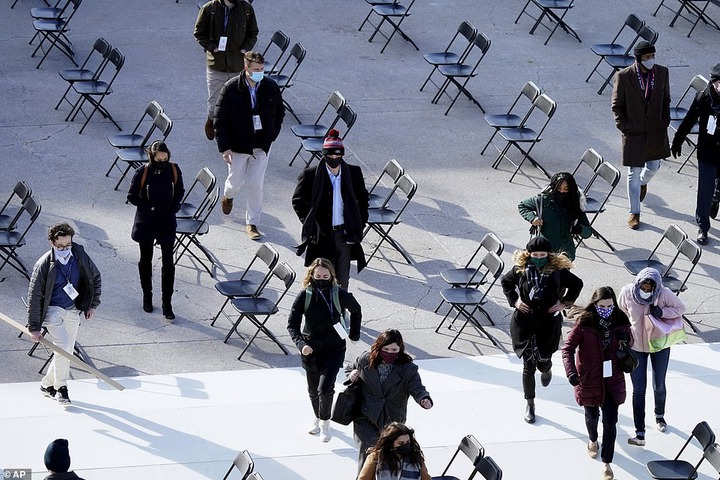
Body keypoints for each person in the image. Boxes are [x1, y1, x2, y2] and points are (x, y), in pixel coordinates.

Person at [500, 235, 583, 424]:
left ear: (548, 254)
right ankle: (530, 403)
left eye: (542, 254)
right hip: (525, 324)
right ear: (529, 254)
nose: (538, 258)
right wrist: (515, 300)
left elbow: (577, 284)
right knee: (528, 366)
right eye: (535, 254)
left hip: (547, 324)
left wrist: (564, 303)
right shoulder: (520, 270)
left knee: (543, 360)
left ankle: (546, 368)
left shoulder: (558, 271)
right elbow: (506, 283)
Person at [286, 258, 362, 443]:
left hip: (334, 348)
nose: (321, 279)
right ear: (311, 275)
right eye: (318, 276)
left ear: (331, 276)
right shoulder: (305, 295)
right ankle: (318, 417)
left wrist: (353, 334)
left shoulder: (339, 294)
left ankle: (325, 423)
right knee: (313, 390)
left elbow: (356, 310)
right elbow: (292, 325)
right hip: (310, 349)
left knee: (325, 388)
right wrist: (301, 345)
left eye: (325, 276)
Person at [562, 287, 633, 480]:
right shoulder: (584, 322)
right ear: (595, 304)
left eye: (609, 305)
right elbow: (567, 349)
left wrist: (626, 340)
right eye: (602, 306)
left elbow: (631, 342)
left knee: (610, 422)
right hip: (589, 379)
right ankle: (592, 440)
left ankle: (606, 463)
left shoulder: (620, 320)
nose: (606, 309)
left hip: (613, 379)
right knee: (591, 417)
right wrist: (571, 373)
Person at [27, 223, 102, 405]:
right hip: (53, 310)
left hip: (73, 309)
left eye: (67, 245)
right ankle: (61, 387)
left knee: (65, 350)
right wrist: (34, 327)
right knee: (63, 347)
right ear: (52, 243)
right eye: (60, 246)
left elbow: (95, 278)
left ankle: (47, 384)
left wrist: (92, 305)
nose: (64, 249)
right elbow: (35, 296)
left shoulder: (79, 256)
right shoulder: (43, 264)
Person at [214, 50, 284, 240]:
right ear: (246, 69)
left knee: (256, 185)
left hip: (261, 147)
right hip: (238, 146)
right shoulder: (231, 88)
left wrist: (272, 135)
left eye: (262, 69)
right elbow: (219, 119)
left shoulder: (270, 87)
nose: (260, 72)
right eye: (256, 69)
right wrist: (224, 147)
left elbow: (280, 112)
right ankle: (228, 196)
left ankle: (252, 223)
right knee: (235, 183)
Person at [292, 129, 370, 289]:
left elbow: (363, 202)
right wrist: (311, 224)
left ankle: (339, 312)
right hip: (321, 236)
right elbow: (298, 202)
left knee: (342, 281)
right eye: (330, 156)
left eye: (337, 156)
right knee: (319, 279)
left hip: (344, 235)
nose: (334, 159)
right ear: (324, 155)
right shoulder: (311, 175)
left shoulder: (354, 173)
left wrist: (358, 225)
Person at [618, 267, 686, 446]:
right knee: (638, 389)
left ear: (655, 287)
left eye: (649, 289)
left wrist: (662, 313)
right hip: (636, 347)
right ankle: (639, 432)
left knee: (659, 385)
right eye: (643, 287)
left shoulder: (664, 294)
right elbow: (621, 310)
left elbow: (681, 308)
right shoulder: (627, 292)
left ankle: (659, 416)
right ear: (638, 283)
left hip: (659, 345)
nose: (646, 291)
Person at [348, 329, 433, 473]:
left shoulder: (408, 368)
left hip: (392, 421)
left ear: (400, 349)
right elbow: (351, 368)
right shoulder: (365, 360)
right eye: (385, 349)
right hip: (366, 417)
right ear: (379, 347)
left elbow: (416, 387)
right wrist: (351, 374)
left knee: (389, 458)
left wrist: (423, 398)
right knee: (368, 454)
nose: (389, 352)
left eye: (394, 349)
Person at [611, 40, 671, 230]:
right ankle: (634, 211)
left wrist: (664, 120)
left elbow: (666, 99)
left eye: (653, 56)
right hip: (634, 133)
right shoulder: (624, 76)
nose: (651, 60)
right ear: (638, 59)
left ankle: (643, 183)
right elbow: (617, 106)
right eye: (647, 57)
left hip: (655, 131)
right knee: (633, 173)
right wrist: (625, 127)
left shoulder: (662, 73)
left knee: (653, 166)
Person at [126, 140, 184, 320]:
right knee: (146, 259)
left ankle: (167, 303)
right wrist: (148, 206)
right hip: (147, 221)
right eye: (159, 160)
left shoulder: (174, 169)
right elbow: (132, 196)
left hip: (167, 220)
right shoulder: (142, 172)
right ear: (152, 157)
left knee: (169, 262)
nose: (162, 163)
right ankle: (147, 296)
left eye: (165, 159)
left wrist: (173, 208)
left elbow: (180, 191)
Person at [193, 0, 258, 141]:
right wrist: (211, 47)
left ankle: (229, 132)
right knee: (215, 101)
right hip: (217, 65)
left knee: (238, 101)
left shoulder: (246, 9)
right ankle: (211, 120)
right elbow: (199, 33)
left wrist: (246, 48)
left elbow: (253, 32)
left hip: (238, 65)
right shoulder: (209, 9)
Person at [671, 64, 720, 245]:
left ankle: (717, 197)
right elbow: (690, 118)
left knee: (717, 189)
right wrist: (678, 139)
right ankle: (703, 227)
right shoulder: (703, 98)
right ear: (714, 83)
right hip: (708, 151)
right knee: (704, 192)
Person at [518, 171, 592, 261]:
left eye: (566, 189)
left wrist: (579, 229)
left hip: (565, 253)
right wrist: (532, 218)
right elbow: (523, 206)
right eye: (558, 188)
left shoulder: (575, 204)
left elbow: (588, 233)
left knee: (561, 275)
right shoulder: (543, 200)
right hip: (544, 251)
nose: (561, 192)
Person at [357, 422, 432, 480]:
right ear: (390, 443)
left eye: (407, 442)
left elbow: (426, 478)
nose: (405, 445)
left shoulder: (415, 458)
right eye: (401, 443)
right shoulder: (376, 457)